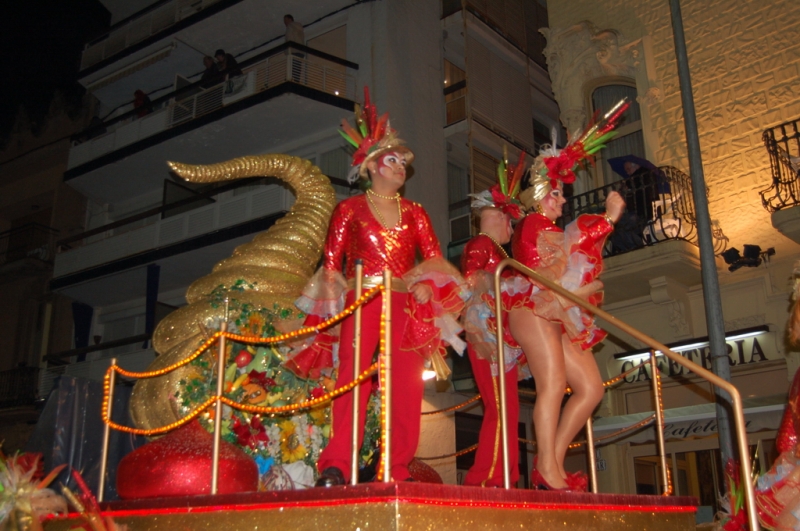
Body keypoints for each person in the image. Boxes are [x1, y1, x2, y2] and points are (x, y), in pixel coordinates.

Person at [285, 87, 466, 486]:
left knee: (403, 388)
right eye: (393, 159)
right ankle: (338, 465)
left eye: (403, 161)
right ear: (370, 165)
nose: (401, 166)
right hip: (361, 297)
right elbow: (331, 264)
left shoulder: (415, 213)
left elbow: (433, 258)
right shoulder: (348, 209)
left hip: (404, 301)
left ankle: (396, 467)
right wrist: (333, 314)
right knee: (353, 379)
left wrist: (427, 290)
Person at [509, 102, 628, 491]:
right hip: (534, 307)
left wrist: (604, 223)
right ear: (541, 193)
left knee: (592, 388)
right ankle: (547, 468)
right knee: (552, 385)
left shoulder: (546, 225)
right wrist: (607, 220)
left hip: (556, 311)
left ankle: (551, 464)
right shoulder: (532, 224)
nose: (562, 202)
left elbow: (571, 254)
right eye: (556, 194)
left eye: (561, 195)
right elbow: (562, 257)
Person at [460, 151, 531, 488]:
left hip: (499, 335)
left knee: (506, 408)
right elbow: (474, 289)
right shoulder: (481, 245)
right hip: (488, 335)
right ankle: (489, 477)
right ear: (501, 217)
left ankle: (505, 474)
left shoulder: (495, 250)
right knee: (501, 407)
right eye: (510, 221)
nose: (512, 229)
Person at [284, 14, 305, 83]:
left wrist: (287, 50)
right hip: (299, 50)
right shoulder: (298, 27)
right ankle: (295, 81)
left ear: (290, 19)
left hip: (294, 50)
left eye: (286, 20)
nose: (285, 22)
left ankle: (294, 81)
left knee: (294, 68)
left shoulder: (290, 27)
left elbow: (290, 38)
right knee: (297, 68)